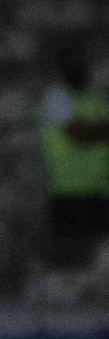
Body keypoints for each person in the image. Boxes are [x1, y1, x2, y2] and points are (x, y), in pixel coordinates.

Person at [40, 43, 109, 272]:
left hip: (97, 190)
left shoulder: (94, 98)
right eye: (74, 63)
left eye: (82, 63)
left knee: (98, 256)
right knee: (71, 259)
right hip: (67, 192)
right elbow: (79, 133)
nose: (80, 68)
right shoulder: (57, 98)